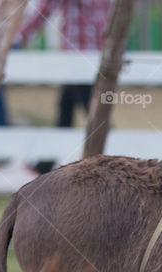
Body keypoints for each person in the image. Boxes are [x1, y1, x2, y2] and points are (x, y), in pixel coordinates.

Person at [17, 0, 113, 173]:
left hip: (77, 58)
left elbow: (43, 10)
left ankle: (119, 159)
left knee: (94, 114)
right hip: (97, 55)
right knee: (67, 111)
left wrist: (19, 36)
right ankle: (44, 164)